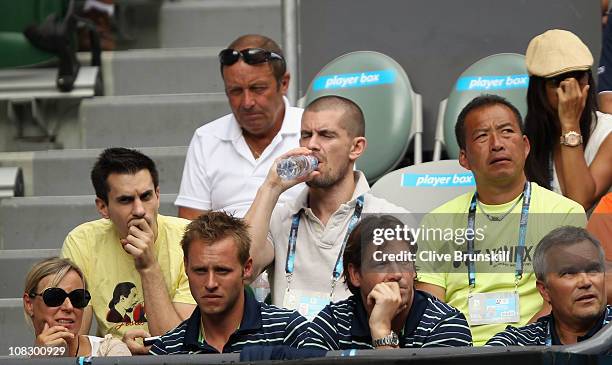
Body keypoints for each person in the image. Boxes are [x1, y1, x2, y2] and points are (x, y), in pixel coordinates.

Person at [415, 95, 587, 346]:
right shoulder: (437, 222)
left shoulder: (564, 213)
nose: (497, 144)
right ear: (463, 157)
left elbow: (559, 306)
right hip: (455, 353)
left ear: (526, 145)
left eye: (507, 132)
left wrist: (509, 351)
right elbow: (429, 311)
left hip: (532, 350)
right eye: (482, 136)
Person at [245, 95, 406, 317]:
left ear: (356, 147)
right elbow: (242, 269)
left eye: (326, 135)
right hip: (287, 347)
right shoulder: (279, 216)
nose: (311, 145)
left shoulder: (390, 219)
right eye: (305, 135)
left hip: (353, 347)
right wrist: (270, 188)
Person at [61, 148, 196, 340]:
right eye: (125, 200)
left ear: (158, 195)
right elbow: (73, 341)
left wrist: (149, 267)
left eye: (146, 196)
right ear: (103, 207)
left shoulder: (190, 239)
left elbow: (177, 346)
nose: (139, 210)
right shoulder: (83, 242)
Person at [175, 34, 303, 219]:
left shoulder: (314, 131)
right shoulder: (207, 138)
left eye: (258, 89)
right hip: (226, 245)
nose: (247, 102)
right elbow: (189, 227)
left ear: (283, 83)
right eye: (235, 91)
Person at [300, 215, 472, 350]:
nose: (397, 274)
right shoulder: (333, 324)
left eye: (404, 260)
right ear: (355, 274)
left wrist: (381, 330)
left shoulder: (445, 323)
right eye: (381, 263)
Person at [149, 211, 309, 355]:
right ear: (186, 267)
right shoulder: (167, 350)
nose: (210, 283)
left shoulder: (288, 332)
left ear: (246, 268)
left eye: (222, 271)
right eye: (200, 271)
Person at [523, 29, 612, 211]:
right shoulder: (528, 141)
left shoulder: (608, 132)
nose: (571, 89)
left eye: (579, 77)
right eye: (558, 81)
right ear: (539, 90)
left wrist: (570, 125)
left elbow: (578, 203)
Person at [486, 226, 611, 346]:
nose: (585, 282)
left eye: (593, 270)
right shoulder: (517, 343)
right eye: (569, 273)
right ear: (544, 290)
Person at [23, 257, 131, 356]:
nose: (69, 307)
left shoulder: (110, 351)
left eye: (77, 298)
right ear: (29, 304)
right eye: (54, 296)